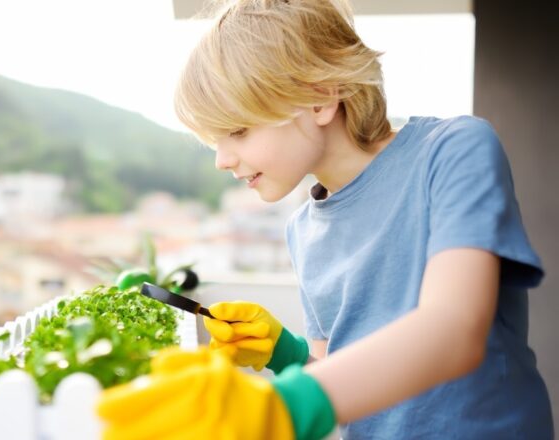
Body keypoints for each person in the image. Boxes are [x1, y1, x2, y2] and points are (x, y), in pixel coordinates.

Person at [96, 0, 554, 438]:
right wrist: (286, 352)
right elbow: (342, 380)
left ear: (319, 98)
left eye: (236, 130)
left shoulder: (453, 150)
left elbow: (454, 329)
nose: (221, 160)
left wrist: (287, 405)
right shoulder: (303, 231)